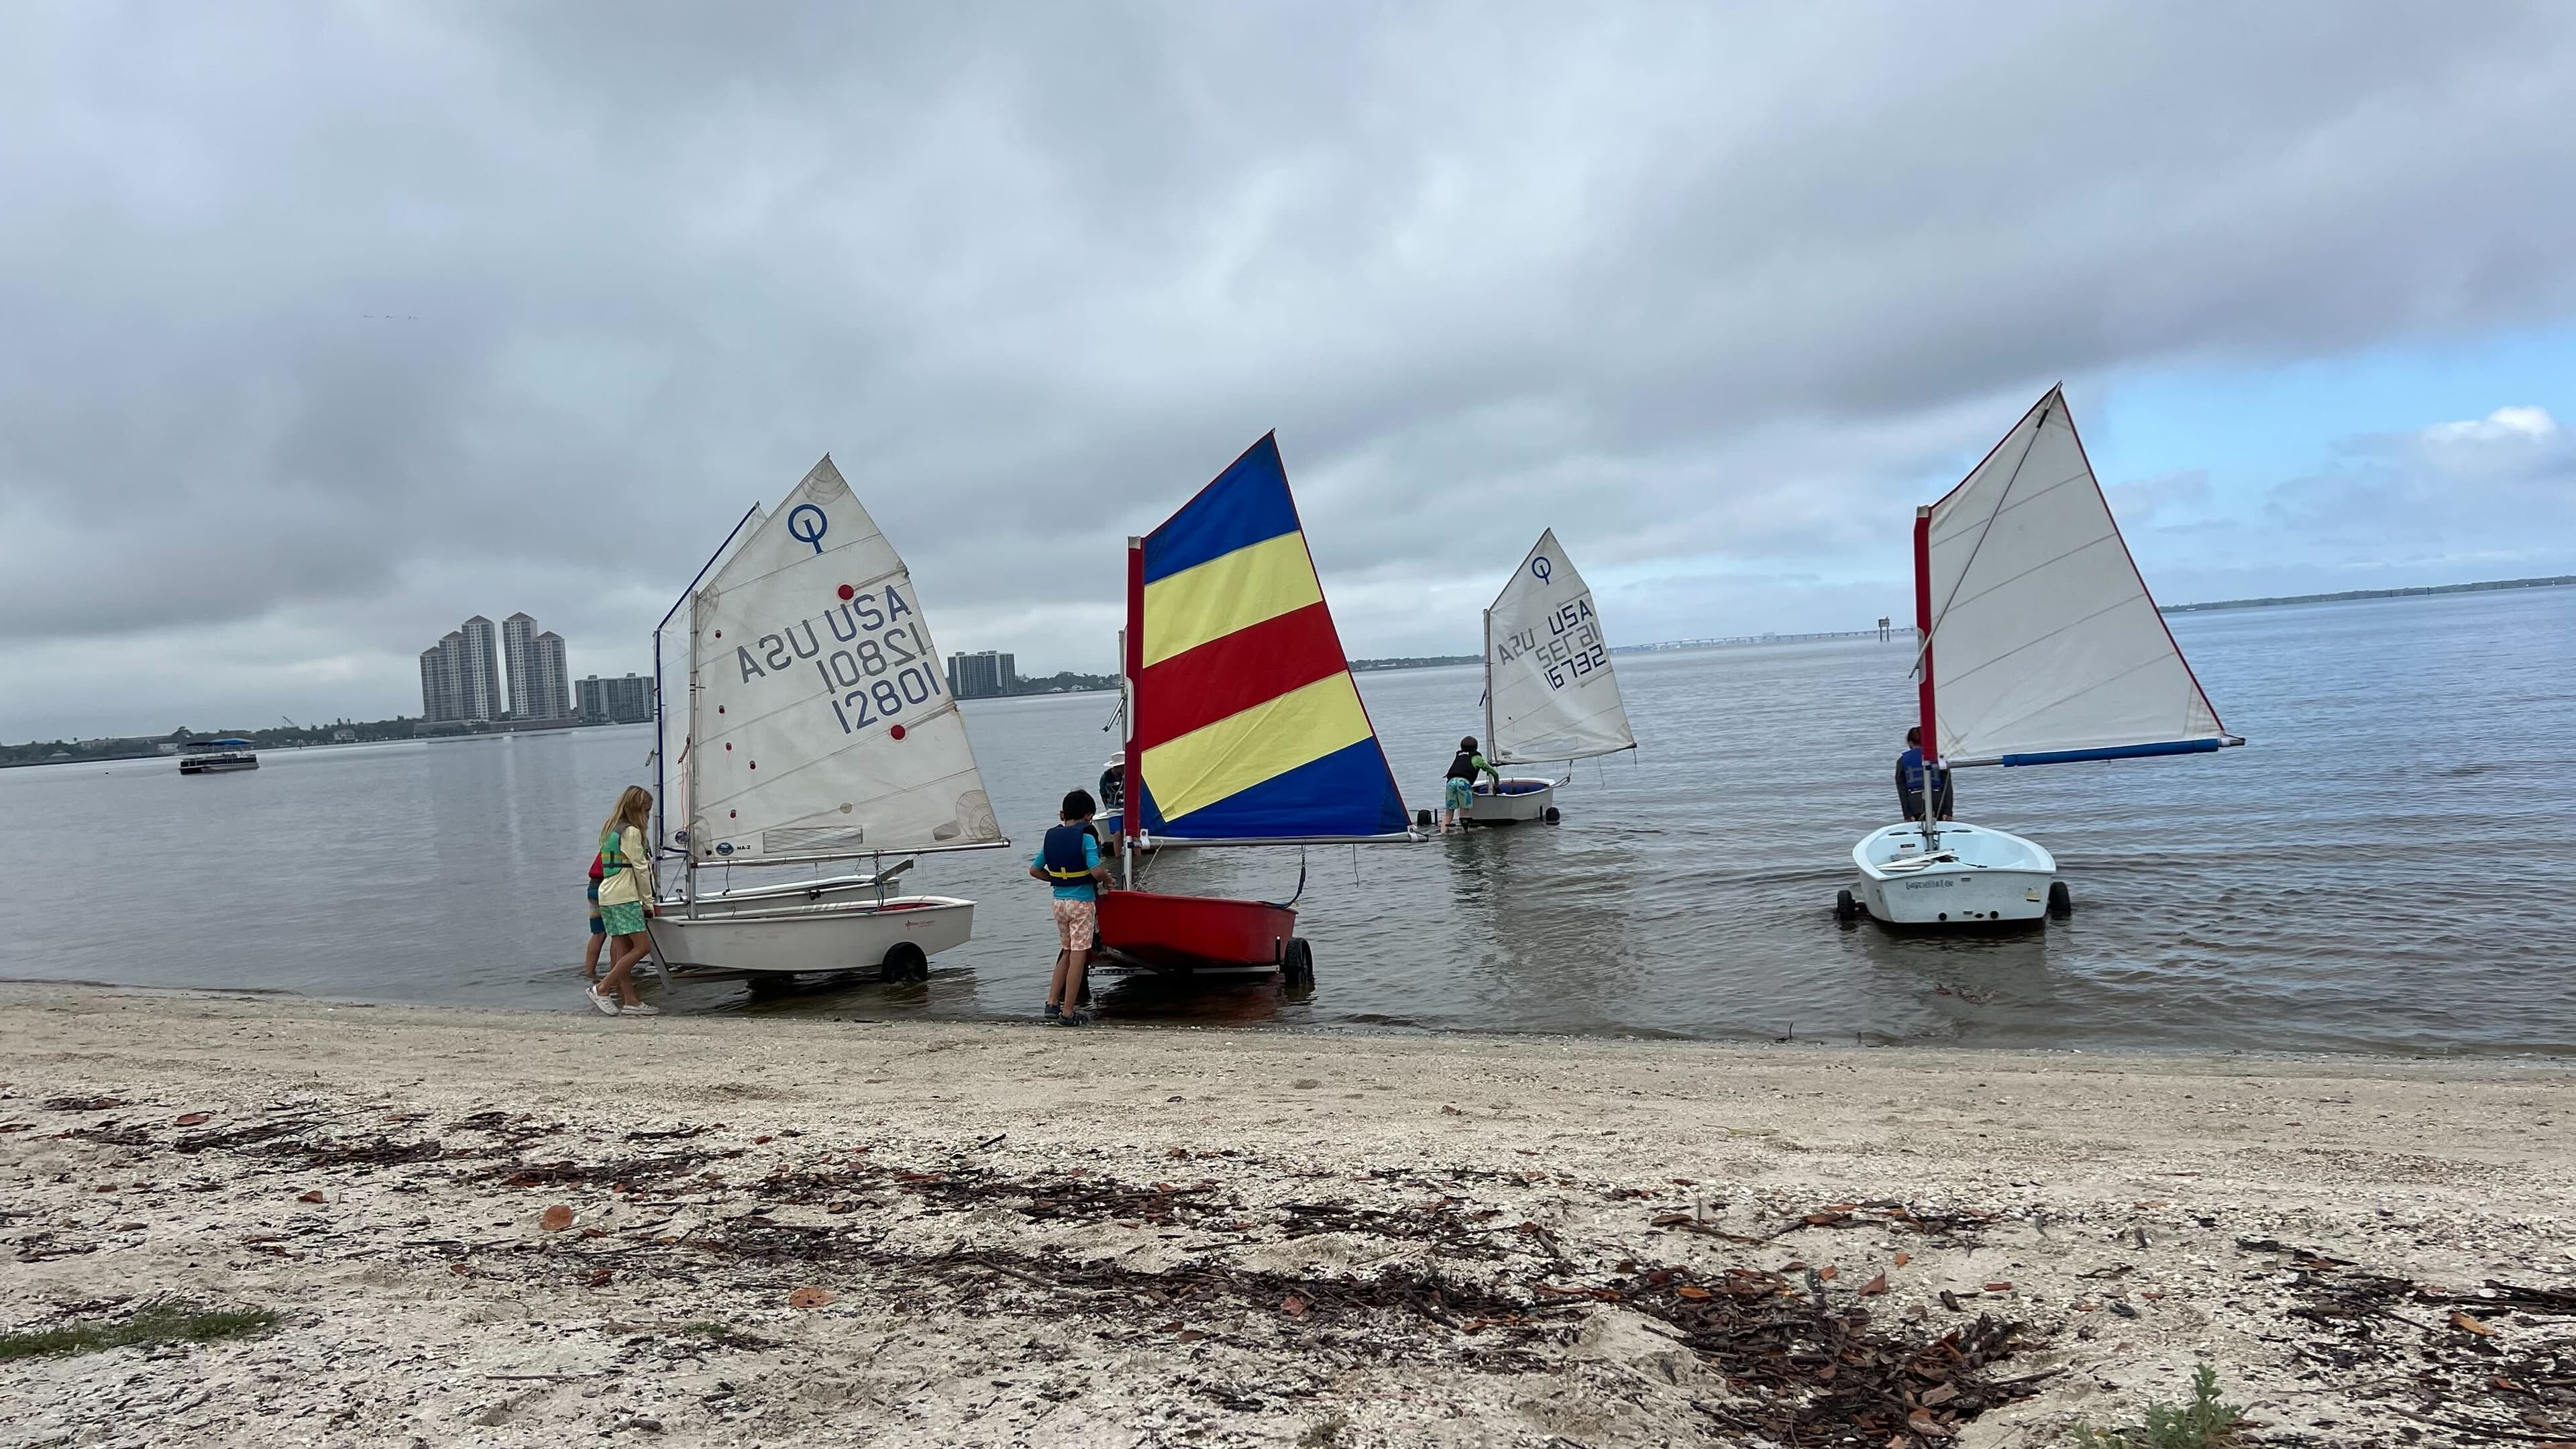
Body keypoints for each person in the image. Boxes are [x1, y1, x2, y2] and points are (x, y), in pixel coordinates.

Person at [1030, 788, 1114, 1025]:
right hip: (1081, 904)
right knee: (1079, 956)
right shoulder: (1087, 837)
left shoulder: (1051, 838)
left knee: (1066, 951)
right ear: (1089, 817)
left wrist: (1057, 880)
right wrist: (1108, 880)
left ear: (1062, 814)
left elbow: (1034, 870)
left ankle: (1051, 1003)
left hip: (1059, 903)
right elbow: (1096, 871)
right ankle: (1068, 1012)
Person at [588, 786, 662, 1016]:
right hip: (624, 896)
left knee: (621, 951)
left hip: (606, 894)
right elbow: (640, 869)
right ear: (637, 809)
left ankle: (631, 1001)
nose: (648, 816)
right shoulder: (631, 832)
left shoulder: (610, 828)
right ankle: (602, 988)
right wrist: (648, 903)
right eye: (647, 811)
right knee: (642, 947)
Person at [1440, 735, 1501, 834]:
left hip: (1450, 783)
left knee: (1449, 813)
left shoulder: (1459, 756)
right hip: (1464, 784)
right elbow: (1494, 773)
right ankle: (1465, 832)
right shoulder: (1477, 758)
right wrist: (1496, 786)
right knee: (1464, 811)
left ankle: (1442, 832)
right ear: (1476, 748)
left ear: (1461, 748)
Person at [1896, 726, 1954, 822]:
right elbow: (1947, 787)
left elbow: (1902, 790)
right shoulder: (1940, 759)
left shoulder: (1902, 761)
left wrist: (1907, 814)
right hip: (1938, 801)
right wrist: (1948, 811)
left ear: (1910, 743)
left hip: (1915, 804)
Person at [580, 849, 607, 983]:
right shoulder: (630, 837)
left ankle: (589, 973)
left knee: (599, 934)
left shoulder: (609, 839)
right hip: (608, 887)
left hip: (593, 887)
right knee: (620, 934)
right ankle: (618, 975)